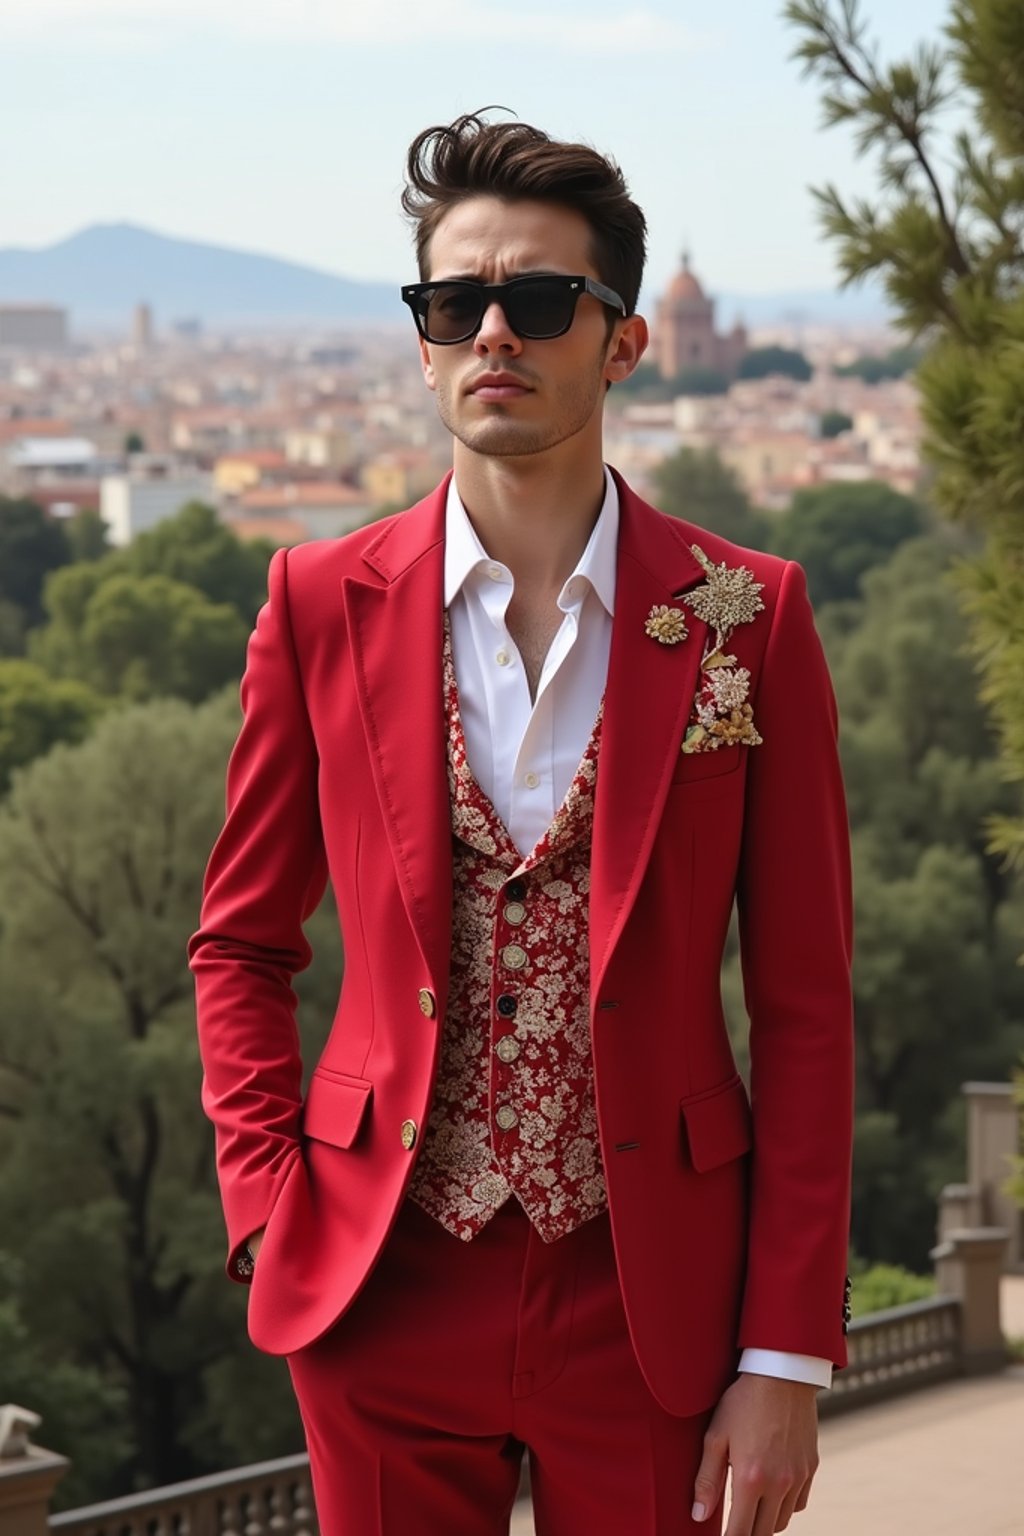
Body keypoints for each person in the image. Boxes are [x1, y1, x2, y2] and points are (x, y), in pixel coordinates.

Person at [190, 110, 854, 1536]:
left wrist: (785, 1352)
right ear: (426, 342)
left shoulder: (750, 619)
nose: (495, 330)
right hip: (381, 1285)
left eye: (540, 299)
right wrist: (268, 1211)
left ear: (623, 341)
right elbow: (240, 945)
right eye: (455, 302)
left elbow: (805, 1010)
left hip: (658, 1296)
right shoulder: (316, 602)